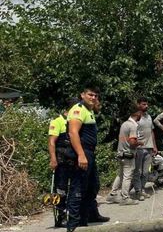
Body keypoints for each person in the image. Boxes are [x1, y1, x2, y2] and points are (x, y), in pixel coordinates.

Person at [66, 86, 109, 232]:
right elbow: (73, 133)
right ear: (82, 95)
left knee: (92, 186)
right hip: (82, 153)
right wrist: (81, 155)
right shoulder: (77, 110)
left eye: (95, 95)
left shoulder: (88, 111)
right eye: (90, 95)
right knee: (78, 189)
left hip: (89, 153)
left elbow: (97, 107)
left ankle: (85, 221)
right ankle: (73, 226)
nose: (93, 98)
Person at [47, 97, 76, 228]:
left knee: (75, 188)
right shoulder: (57, 121)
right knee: (61, 190)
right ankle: (61, 217)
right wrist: (53, 159)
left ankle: (74, 215)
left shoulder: (75, 122)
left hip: (73, 159)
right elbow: (52, 142)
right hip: (61, 160)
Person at [106, 107, 141, 206]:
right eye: (140, 114)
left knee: (120, 175)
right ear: (137, 113)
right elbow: (132, 142)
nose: (140, 116)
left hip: (121, 154)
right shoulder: (132, 126)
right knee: (127, 176)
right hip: (128, 154)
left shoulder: (124, 124)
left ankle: (112, 195)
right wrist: (140, 143)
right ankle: (125, 197)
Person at [132, 97, 157, 201]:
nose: (146, 106)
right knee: (138, 171)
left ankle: (142, 189)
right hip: (139, 148)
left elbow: (151, 132)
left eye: (147, 104)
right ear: (138, 105)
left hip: (149, 148)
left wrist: (154, 146)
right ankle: (138, 192)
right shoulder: (135, 117)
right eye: (143, 104)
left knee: (146, 172)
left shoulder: (149, 117)